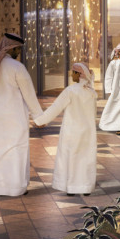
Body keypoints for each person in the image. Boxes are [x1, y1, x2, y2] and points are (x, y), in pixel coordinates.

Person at [0, 33, 44, 197]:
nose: (19, 53)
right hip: (15, 118)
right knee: (16, 151)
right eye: (18, 49)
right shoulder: (17, 67)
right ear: (11, 48)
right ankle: (15, 188)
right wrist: (39, 117)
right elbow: (29, 95)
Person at [33, 62, 99, 195]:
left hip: (72, 131)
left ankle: (71, 187)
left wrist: (40, 121)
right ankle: (85, 187)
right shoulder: (91, 92)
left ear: (78, 74)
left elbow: (56, 107)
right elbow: (93, 113)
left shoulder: (71, 91)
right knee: (85, 158)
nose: (71, 74)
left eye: (73, 72)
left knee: (71, 158)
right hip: (88, 132)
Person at [99, 44, 120, 134]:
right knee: (112, 106)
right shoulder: (113, 63)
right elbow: (108, 77)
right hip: (114, 90)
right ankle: (109, 124)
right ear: (119, 52)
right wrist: (109, 90)